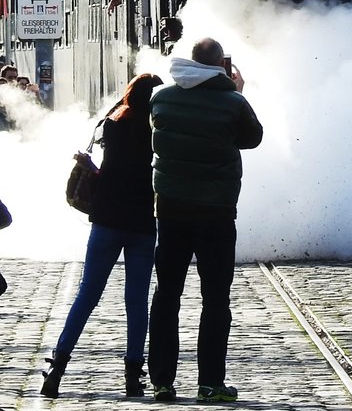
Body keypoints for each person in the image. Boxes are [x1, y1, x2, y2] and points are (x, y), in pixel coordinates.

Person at [148, 38, 263, 404]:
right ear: (219, 65)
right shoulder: (233, 102)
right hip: (215, 212)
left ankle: (163, 381)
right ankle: (210, 383)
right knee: (216, 300)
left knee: (167, 295)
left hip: (170, 209)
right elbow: (252, 138)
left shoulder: (161, 98)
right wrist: (237, 90)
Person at [41, 73, 163, 398]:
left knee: (86, 295)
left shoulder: (112, 124)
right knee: (136, 302)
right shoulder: (158, 130)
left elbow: (111, 170)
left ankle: (57, 368)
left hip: (107, 220)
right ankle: (133, 377)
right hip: (142, 224)